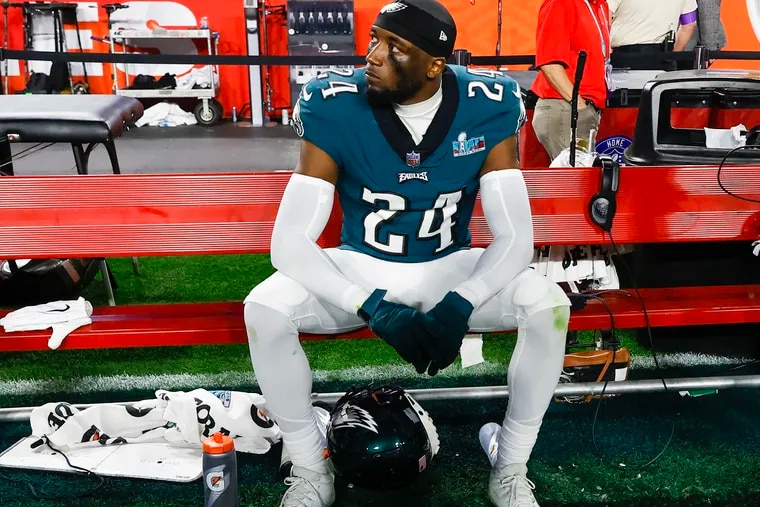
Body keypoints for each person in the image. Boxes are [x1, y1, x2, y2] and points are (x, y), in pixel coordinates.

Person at [244, 0, 571, 506]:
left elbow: (515, 238)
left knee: (549, 306)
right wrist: (370, 304)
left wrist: (464, 300)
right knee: (264, 309)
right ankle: (310, 467)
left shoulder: (488, 102)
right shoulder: (333, 103)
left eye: (394, 46)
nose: (373, 55)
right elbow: (288, 244)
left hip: (449, 265)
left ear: (435, 64)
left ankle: (511, 464)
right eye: (375, 39)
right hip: (363, 265)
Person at [530, 0, 610, 161]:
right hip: (565, 108)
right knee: (573, 174)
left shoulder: (600, 5)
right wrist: (579, 105)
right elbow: (550, 63)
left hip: (580, 108)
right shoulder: (561, 3)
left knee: (579, 173)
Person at [609, 0, 697, 70]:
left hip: (625, 57)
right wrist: (672, 56)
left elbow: (605, 15)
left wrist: (606, 49)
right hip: (665, 57)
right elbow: (689, 24)